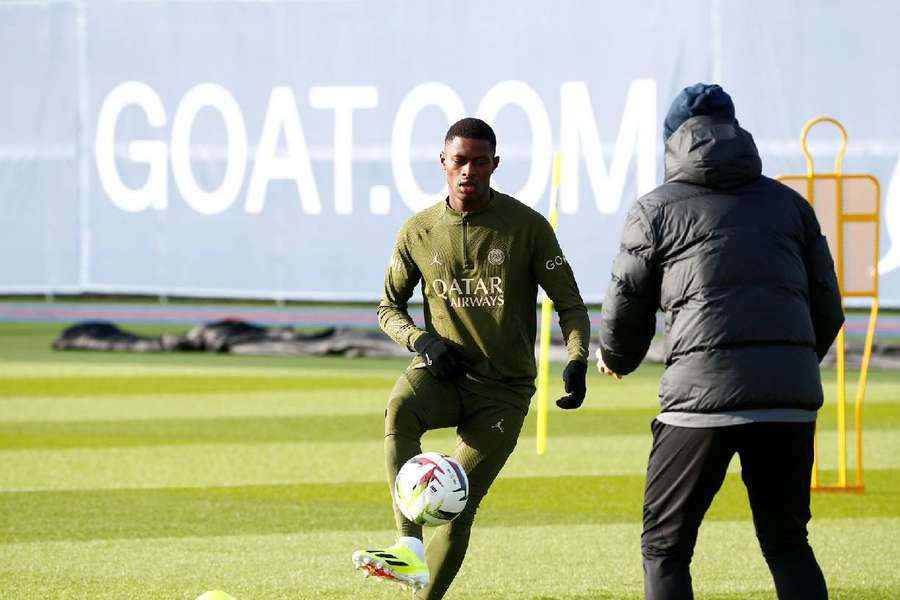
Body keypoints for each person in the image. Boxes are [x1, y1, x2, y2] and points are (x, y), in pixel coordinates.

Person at [596, 83, 843, 600]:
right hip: (787, 403)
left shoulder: (654, 209)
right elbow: (828, 308)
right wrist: (787, 367)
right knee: (787, 544)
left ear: (671, 142)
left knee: (666, 549)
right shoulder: (791, 205)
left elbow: (627, 299)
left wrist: (616, 357)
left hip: (697, 403)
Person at [352, 117, 591, 598]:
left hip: (503, 391)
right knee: (399, 408)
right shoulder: (417, 231)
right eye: (459, 160)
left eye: (479, 162)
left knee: (456, 502)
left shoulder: (527, 227)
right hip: (441, 374)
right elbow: (387, 307)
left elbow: (571, 303)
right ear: (443, 162)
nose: (469, 171)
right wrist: (422, 342)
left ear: (494, 165)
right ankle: (408, 549)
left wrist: (578, 359)